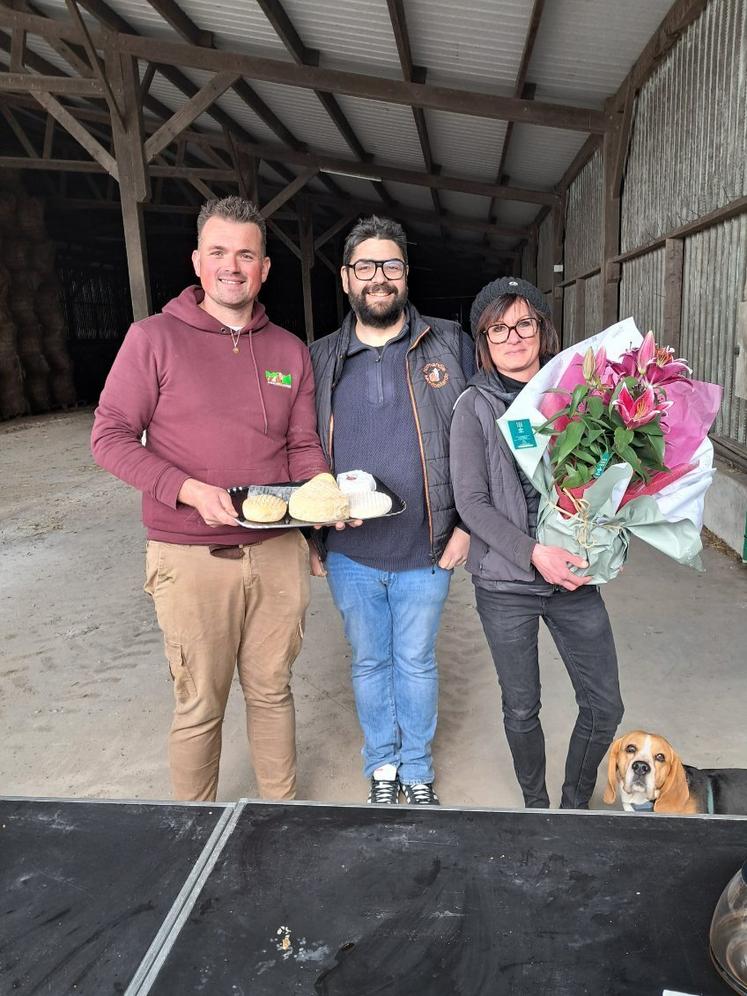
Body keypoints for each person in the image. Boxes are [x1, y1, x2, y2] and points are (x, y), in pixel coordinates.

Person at [91, 196, 331, 803]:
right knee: (200, 702)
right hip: (190, 555)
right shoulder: (153, 339)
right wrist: (186, 489)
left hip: (276, 551)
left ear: (265, 268)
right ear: (198, 262)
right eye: (219, 252)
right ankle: (193, 831)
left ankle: (281, 814)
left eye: (246, 254)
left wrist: (321, 503)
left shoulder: (288, 351)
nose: (233, 266)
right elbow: (109, 436)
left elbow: (301, 444)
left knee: (273, 689)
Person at [309, 215, 474, 806]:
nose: (379, 277)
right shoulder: (320, 357)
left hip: (428, 546)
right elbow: (299, 450)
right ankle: (381, 763)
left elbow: (484, 439)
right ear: (346, 278)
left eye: (391, 265)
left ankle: (418, 767)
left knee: (417, 663)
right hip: (351, 553)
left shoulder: (451, 344)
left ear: (406, 274)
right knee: (371, 662)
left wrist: (469, 529)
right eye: (366, 267)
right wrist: (311, 537)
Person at [450, 275, 624, 810]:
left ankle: (573, 802)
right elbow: (472, 504)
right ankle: (536, 806)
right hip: (506, 585)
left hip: (573, 575)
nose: (512, 336)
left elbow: (604, 475)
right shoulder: (472, 407)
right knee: (522, 707)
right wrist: (533, 553)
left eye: (523, 322)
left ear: (542, 329)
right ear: (483, 340)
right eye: (498, 328)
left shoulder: (577, 398)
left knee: (605, 705)